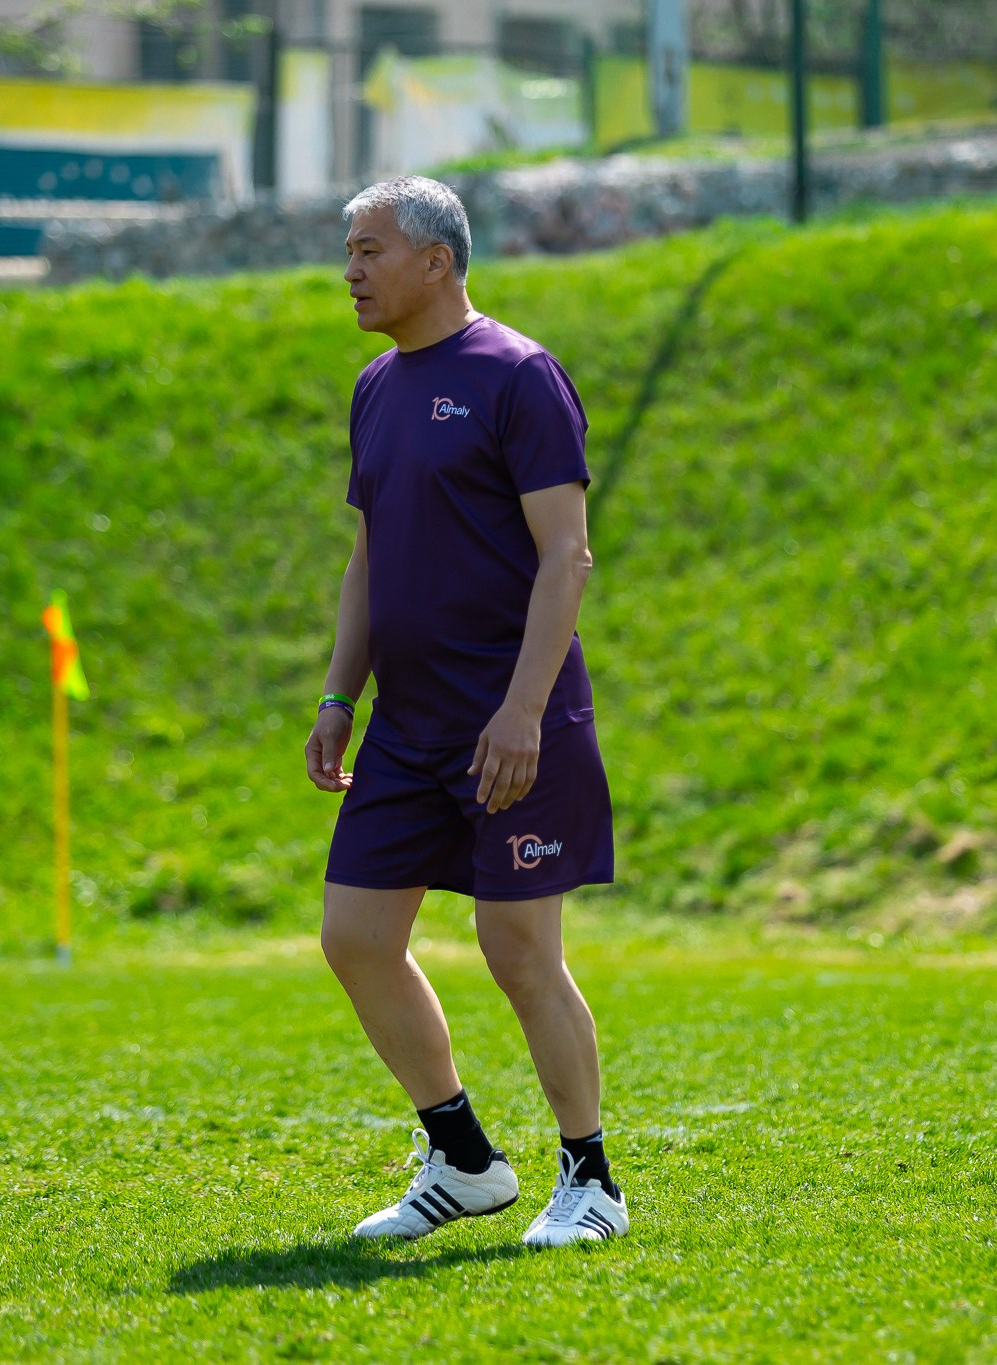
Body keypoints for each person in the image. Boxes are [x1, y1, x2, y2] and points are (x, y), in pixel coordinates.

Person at [304, 175, 627, 1247]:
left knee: (518, 951)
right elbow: (366, 559)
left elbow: (564, 559)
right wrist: (341, 695)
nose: (349, 270)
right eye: (346, 252)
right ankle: (462, 1158)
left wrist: (523, 711)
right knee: (353, 937)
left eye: (368, 250)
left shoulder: (517, 376)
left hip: (512, 721)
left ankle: (591, 1181)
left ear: (436, 261)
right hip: (405, 726)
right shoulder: (374, 388)